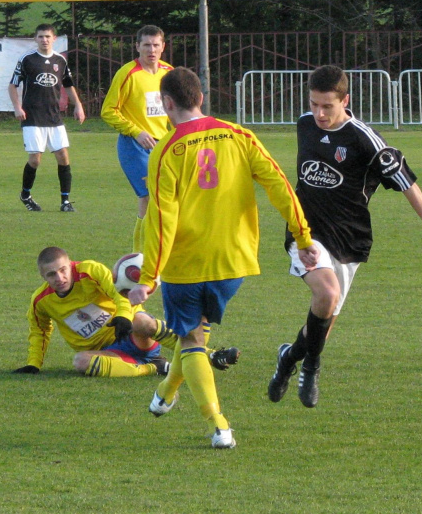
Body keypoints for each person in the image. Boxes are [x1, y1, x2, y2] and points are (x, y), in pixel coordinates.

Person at [129, 67, 319, 449]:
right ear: (200, 96)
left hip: (186, 263)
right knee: (195, 331)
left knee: (193, 338)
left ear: (167, 103)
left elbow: (162, 220)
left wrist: (148, 276)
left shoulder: (165, 150)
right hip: (234, 261)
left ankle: (219, 424)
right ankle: (165, 393)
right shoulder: (239, 135)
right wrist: (302, 235)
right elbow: (279, 183)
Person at [267, 65, 422, 409]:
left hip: (349, 237)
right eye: (314, 104)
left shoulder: (364, 138)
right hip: (307, 232)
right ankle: (311, 366)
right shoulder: (304, 124)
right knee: (326, 293)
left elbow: (408, 185)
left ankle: (289, 358)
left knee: (323, 321)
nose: (319, 114)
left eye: (327, 106)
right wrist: (300, 231)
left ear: (346, 101)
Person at [13, 246, 240, 377]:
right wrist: (34, 363)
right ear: (43, 277)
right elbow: (39, 331)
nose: (60, 278)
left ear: (70, 265)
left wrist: (122, 316)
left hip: (132, 335)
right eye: (51, 274)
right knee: (81, 362)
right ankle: (156, 367)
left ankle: (210, 354)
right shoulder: (41, 301)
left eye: (63, 270)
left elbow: (118, 294)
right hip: (107, 354)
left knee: (139, 320)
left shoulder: (90, 271)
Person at [100, 25, 173, 252]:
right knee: (149, 196)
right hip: (135, 146)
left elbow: (177, 109)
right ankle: (139, 255)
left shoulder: (169, 73)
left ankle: (157, 250)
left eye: (155, 45)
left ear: (163, 46)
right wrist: (136, 131)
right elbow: (108, 110)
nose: (151, 49)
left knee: (167, 198)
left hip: (163, 145)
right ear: (137, 46)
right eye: (146, 45)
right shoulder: (128, 73)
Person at [8, 23, 85, 213]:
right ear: (35, 39)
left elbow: (68, 85)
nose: (44, 40)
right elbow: (12, 85)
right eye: (41, 36)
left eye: (47, 37)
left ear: (54, 39)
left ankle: (65, 201)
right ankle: (25, 194)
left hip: (54, 117)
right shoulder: (27, 59)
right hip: (32, 116)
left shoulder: (60, 60)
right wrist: (17, 107)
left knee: (63, 156)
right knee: (35, 160)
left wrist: (79, 106)